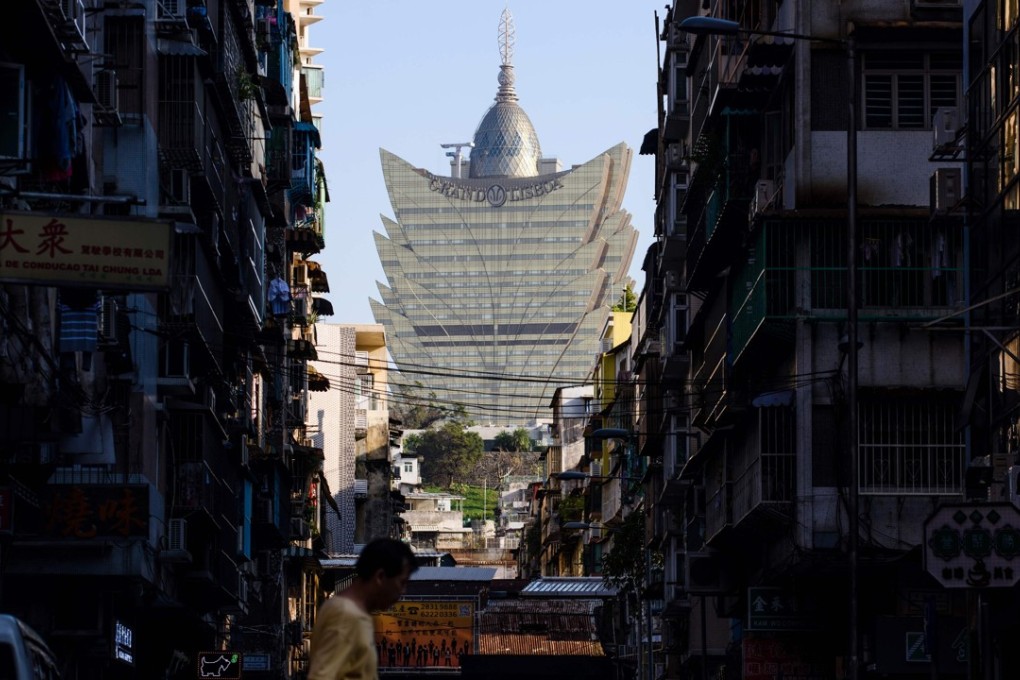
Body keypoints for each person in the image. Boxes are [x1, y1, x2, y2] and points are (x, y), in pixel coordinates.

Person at [307, 538, 417, 680]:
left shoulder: (352, 613)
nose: (403, 591)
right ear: (380, 577)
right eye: (402, 582)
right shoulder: (346, 615)